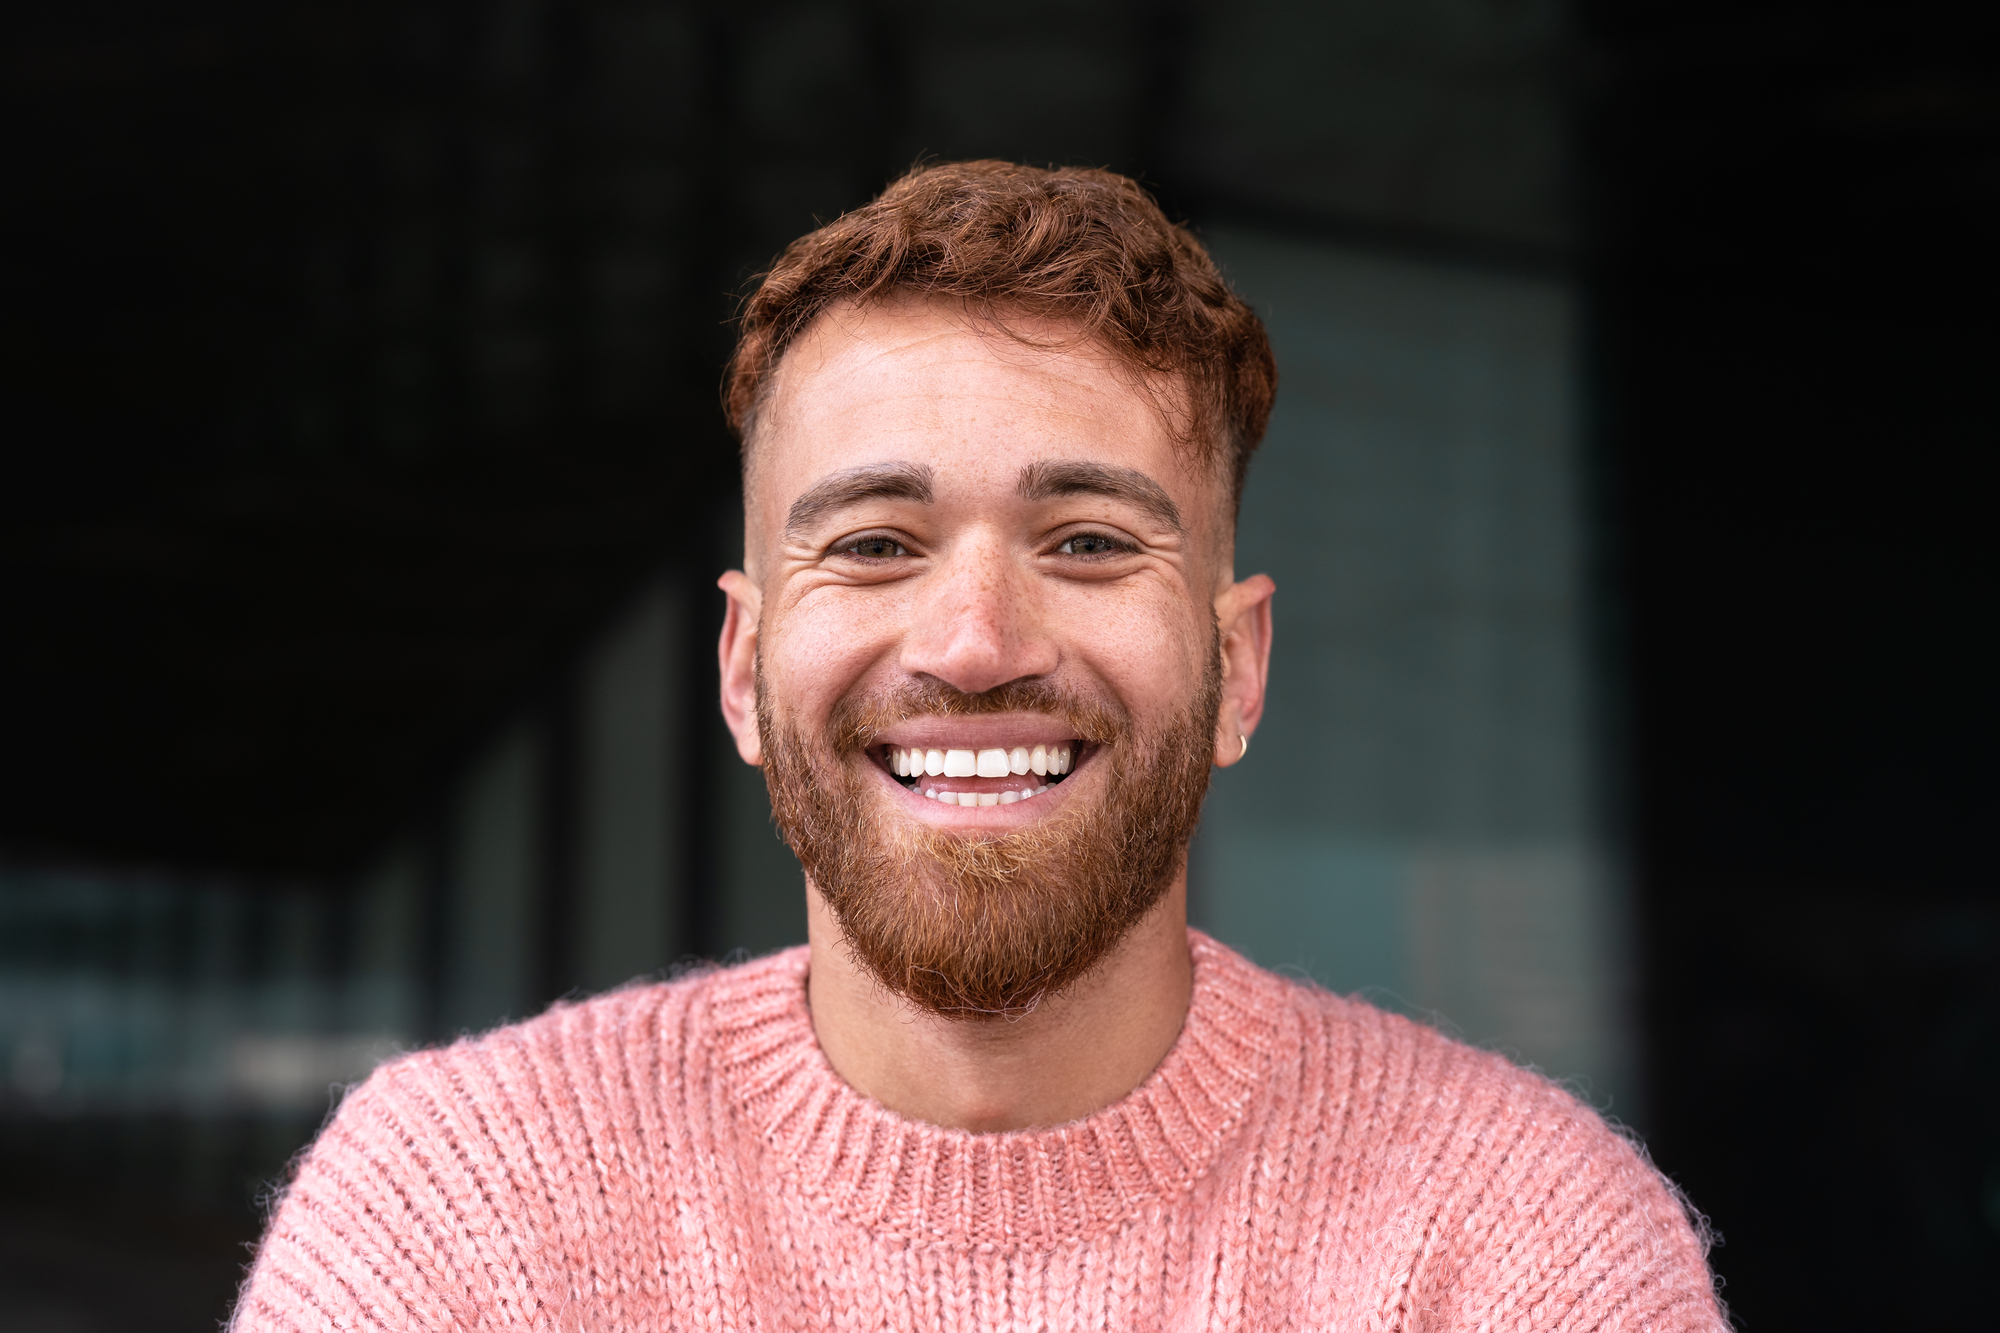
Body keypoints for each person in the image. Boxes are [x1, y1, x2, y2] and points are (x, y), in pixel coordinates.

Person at [231, 161, 1725, 1332]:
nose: (973, 640)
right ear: (744, 671)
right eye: (877, 543)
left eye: (1084, 540)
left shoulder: (1525, 1248)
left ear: (1239, 665)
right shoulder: (454, 1213)